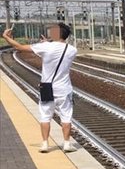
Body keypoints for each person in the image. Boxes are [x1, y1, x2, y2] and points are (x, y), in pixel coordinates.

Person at [2, 23, 77, 153]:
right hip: (64, 89)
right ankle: (66, 144)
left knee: (45, 116)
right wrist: (46, 44)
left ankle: (45, 144)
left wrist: (6, 37)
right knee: (66, 116)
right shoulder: (72, 50)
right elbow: (55, 56)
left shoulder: (45, 47)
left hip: (47, 87)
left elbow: (19, 47)